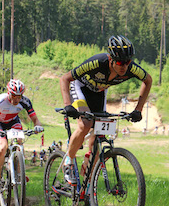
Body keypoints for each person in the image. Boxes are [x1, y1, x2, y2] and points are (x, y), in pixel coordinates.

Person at [59, 35, 152, 185]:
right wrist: (68, 105)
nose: (124, 66)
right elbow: (65, 78)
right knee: (86, 124)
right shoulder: (97, 62)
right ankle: (69, 161)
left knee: (101, 135)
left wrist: (138, 109)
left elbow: (148, 80)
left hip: (99, 92)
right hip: (80, 87)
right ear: (110, 59)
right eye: (120, 62)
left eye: (127, 62)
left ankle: (88, 187)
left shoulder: (131, 68)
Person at [0, 79, 44, 194]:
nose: (17, 99)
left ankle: (19, 171)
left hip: (13, 121)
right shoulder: (0, 100)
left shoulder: (25, 101)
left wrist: (37, 126)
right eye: (14, 96)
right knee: (2, 147)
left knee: (19, 140)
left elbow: (35, 119)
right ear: (9, 93)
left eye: (19, 96)